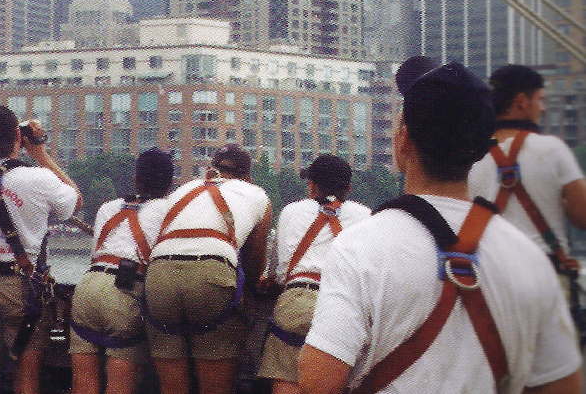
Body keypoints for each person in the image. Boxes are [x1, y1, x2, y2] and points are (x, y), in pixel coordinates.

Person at [299, 63, 583, 393]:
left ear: (402, 140)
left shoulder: (358, 248)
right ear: (479, 150)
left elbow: (317, 383)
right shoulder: (529, 259)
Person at [0, 105, 81, 394]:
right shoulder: (39, 178)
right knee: (27, 377)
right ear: (16, 135)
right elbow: (76, 201)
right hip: (21, 287)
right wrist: (40, 153)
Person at [142, 143, 272, 394]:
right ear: (248, 176)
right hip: (211, 272)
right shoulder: (256, 194)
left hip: (160, 273)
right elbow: (255, 264)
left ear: (210, 171)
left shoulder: (183, 190)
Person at [256, 154, 369, 394]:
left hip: (298, 297)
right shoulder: (365, 216)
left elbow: (278, 273)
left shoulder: (291, 211)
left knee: (286, 375)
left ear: (312, 185)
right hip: (342, 303)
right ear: (348, 187)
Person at [468, 64, 586, 289]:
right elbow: (583, 217)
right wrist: (560, 202)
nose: (542, 108)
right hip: (544, 278)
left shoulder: (472, 159)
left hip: (493, 284)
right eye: (540, 99)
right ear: (521, 101)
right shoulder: (552, 149)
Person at [69, 147, 174, 394]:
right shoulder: (170, 211)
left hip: (89, 287)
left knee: (84, 385)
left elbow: (95, 253)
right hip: (124, 292)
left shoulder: (108, 207)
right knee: (120, 387)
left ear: (136, 179)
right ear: (170, 184)